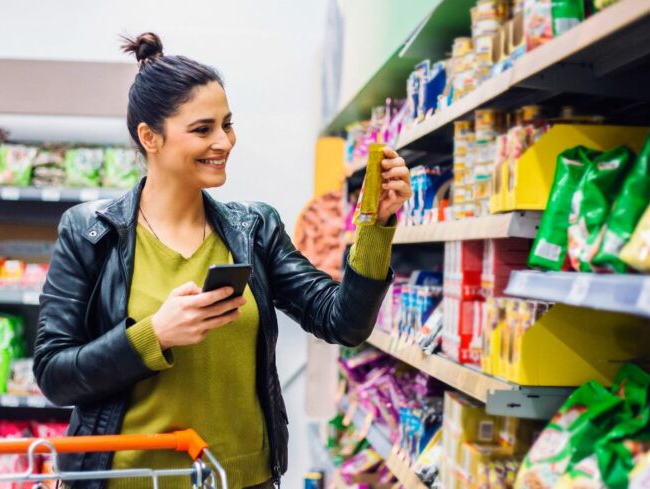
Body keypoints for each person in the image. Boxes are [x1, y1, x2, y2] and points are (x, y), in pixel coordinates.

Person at [33, 32, 412, 489]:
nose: (224, 142)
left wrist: (376, 225)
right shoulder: (90, 233)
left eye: (227, 124)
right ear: (150, 137)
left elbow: (343, 322)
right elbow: (55, 375)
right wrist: (154, 335)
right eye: (202, 129)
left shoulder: (253, 229)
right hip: (132, 479)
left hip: (243, 479)